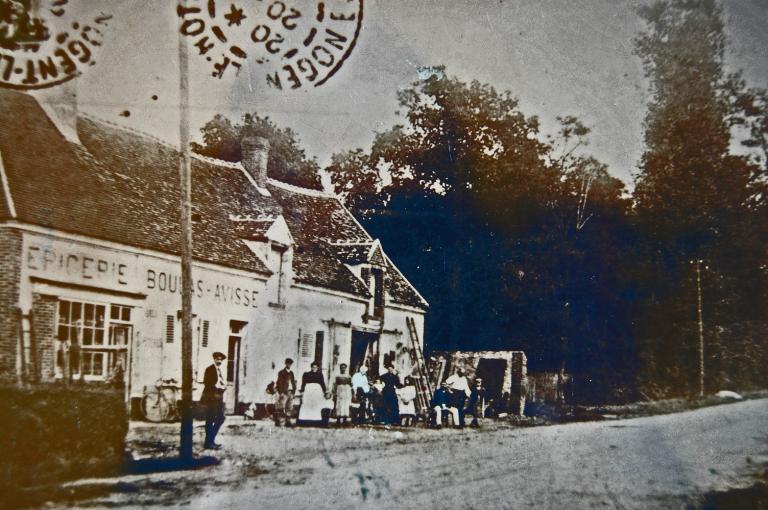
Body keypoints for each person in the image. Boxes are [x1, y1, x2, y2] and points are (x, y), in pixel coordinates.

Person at [200, 351, 227, 449]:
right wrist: (217, 388)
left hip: (218, 398)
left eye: (221, 360)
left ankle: (210, 440)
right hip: (210, 398)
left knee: (221, 418)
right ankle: (209, 443)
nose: (219, 361)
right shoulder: (210, 369)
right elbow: (207, 384)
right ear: (214, 359)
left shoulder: (219, 371)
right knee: (210, 420)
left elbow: (220, 383)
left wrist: (223, 388)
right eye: (217, 359)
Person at [274, 358, 297, 426]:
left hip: (290, 392)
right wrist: (281, 392)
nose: (289, 365)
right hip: (284, 392)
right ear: (285, 364)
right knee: (281, 407)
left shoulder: (291, 373)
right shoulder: (281, 372)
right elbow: (279, 383)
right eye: (288, 363)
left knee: (289, 407)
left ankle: (288, 421)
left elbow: (293, 382)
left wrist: (294, 392)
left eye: (290, 364)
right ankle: (279, 421)